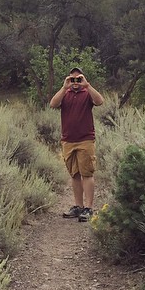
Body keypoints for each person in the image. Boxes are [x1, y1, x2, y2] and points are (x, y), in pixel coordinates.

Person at [49, 66, 104, 222]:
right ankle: (78, 206)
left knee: (87, 173)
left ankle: (88, 208)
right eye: (72, 79)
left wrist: (87, 85)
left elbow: (100, 101)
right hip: (68, 140)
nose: (75, 82)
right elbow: (53, 104)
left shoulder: (87, 93)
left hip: (85, 139)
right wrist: (64, 87)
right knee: (74, 174)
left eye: (78, 79)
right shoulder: (64, 94)